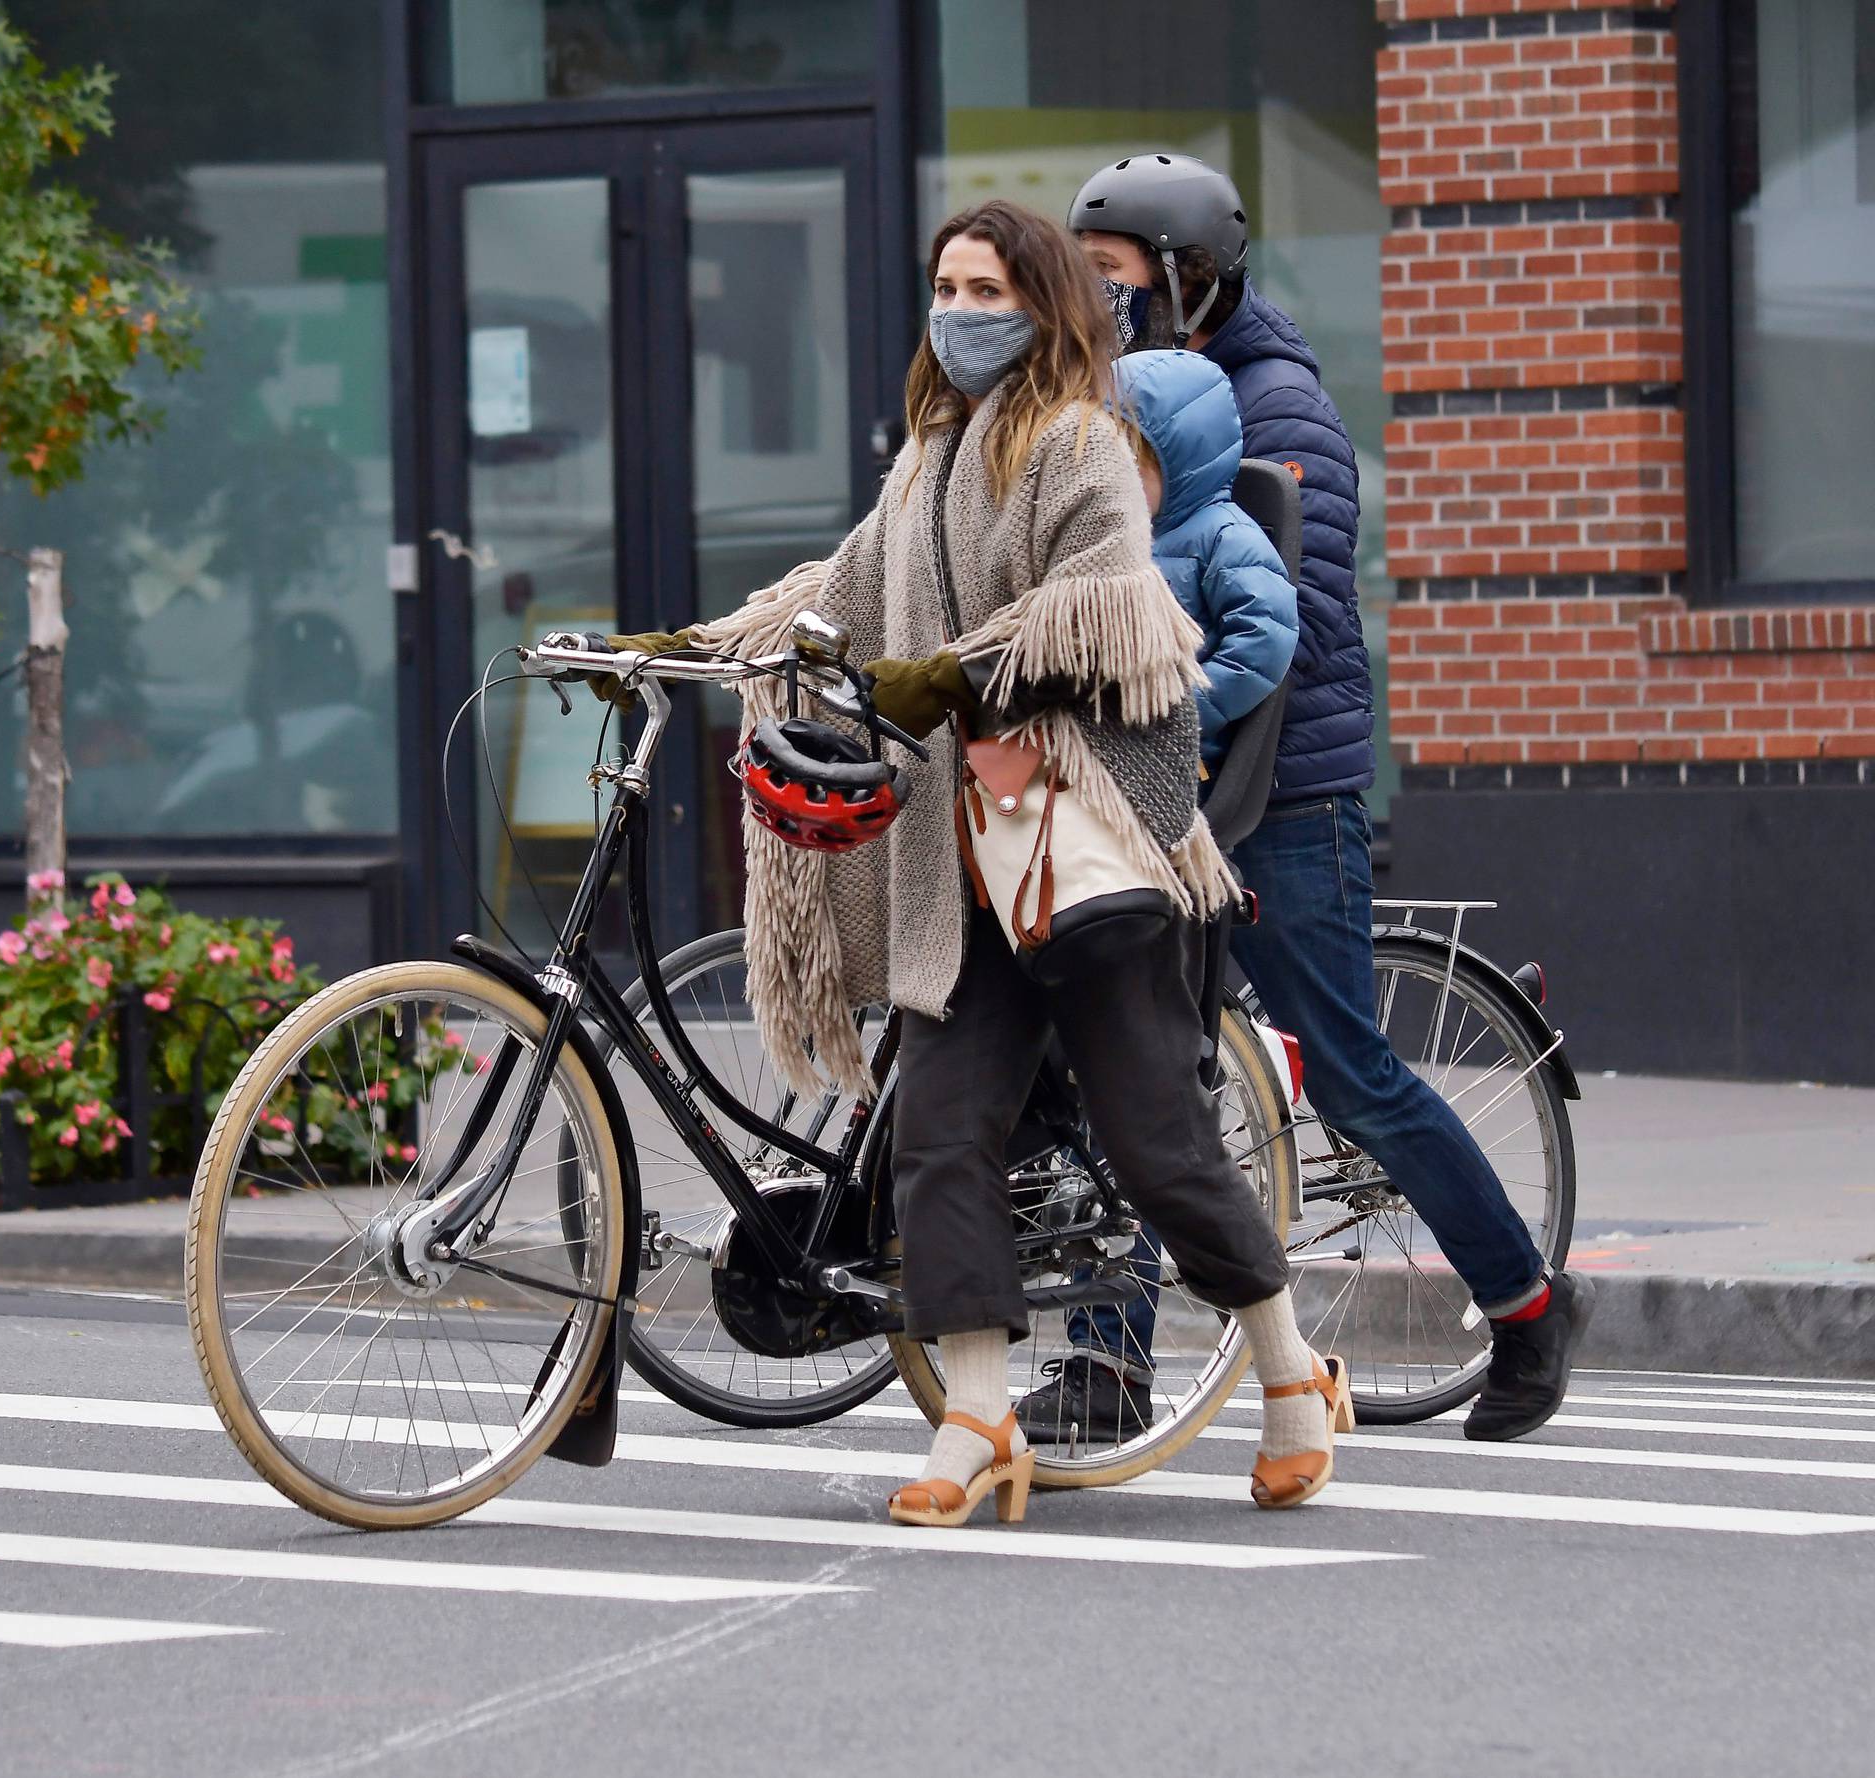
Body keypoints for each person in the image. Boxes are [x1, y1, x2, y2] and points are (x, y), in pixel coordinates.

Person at [614, 199, 1349, 1524]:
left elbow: (1098, 613)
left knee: (1160, 1144)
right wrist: (691, 646)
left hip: (1089, 845)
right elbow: (834, 595)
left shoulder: (1084, 446)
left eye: (985, 287)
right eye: (946, 285)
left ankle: (1293, 1377)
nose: (959, 311)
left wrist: (938, 675)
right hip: (956, 864)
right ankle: (975, 1418)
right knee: (941, 1142)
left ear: (1044, 301)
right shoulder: (925, 455)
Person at [1067, 152, 1594, 1443]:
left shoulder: (1276, 409)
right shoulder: (1126, 401)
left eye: (1116, 281)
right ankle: (1105, 1361)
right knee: (1143, 1068)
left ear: (1187, 279)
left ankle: (1527, 1306)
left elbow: (1275, 626)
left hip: (1281, 799)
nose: (1100, 308)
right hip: (1161, 791)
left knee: (1352, 1078)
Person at [1014, 345, 1299, 1436]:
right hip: (1089, 791)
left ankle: (1116, 1361)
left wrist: (1181, 702)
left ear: (1174, 455)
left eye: (1125, 456)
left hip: (1166, 802)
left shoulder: (1220, 534)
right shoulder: (1102, 540)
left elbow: (1268, 636)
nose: (1106, 475)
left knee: (1136, 1099)